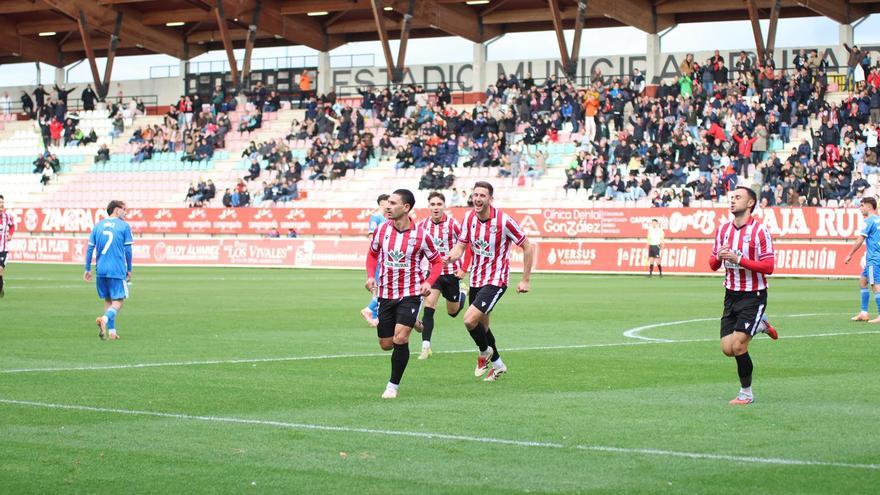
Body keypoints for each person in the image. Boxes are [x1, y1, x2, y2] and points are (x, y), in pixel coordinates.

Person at [444, 181, 535, 382]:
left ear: (490, 199)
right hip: (476, 279)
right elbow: (461, 246)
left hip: (496, 280)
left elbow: (528, 247)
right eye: (475, 194)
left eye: (482, 195)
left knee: (469, 319)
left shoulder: (504, 221)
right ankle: (498, 365)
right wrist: (451, 256)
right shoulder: (469, 218)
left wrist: (525, 280)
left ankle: (484, 352)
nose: (477, 198)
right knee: (482, 327)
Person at [365, 189, 443, 399]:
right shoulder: (382, 230)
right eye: (387, 203)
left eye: (392, 203)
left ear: (406, 208)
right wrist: (371, 276)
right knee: (386, 344)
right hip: (386, 293)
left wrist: (428, 282)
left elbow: (437, 262)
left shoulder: (421, 235)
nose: (388, 206)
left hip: (410, 293)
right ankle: (414, 322)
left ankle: (393, 385)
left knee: (400, 338)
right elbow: (372, 255)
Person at [708, 187, 778, 405]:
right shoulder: (723, 230)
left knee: (739, 346)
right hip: (731, 294)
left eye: (738, 197)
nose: (732, 201)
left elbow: (769, 267)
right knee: (727, 349)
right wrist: (719, 257)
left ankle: (746, 394)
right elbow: (712, 265)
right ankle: (761, 325)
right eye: (731, 198)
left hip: (753, 295)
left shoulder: (759, 232)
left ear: (750, 203)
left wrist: (739, 260)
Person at [414, 192, 469, 360]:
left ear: (444, 206)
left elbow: (467, 245)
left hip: (451, 274)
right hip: (433, 274)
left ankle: (462, 294)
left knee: (452, 312)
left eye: (439, 204)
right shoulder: (422, 226)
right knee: (429, 307)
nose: (436, 207)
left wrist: (464, 268)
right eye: (433, 204)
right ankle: (425, 347)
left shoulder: (453, 225)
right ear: (428, 207)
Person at [83, 200, 133, 340]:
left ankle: (111, 331)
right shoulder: (124, 226)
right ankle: (104, 319)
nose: (126, 212)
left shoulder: (97, 226)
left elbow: (90, 249)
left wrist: (87, 269)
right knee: (119, 301)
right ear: (116, 210)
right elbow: (128, 250)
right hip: (116, 269)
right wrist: (129, 269)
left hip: (101, 270)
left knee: (108, 300)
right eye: (124, 209)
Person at [844, 197, 880, 322]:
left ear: (869, 206)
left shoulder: (868, 221)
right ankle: (864, 313)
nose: (861, 208)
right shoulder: (878, 220)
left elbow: (860, 239)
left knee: (876, 285)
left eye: (862, 205)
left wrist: (850, 254)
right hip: (876, 257)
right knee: (863, 281)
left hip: (873, 258)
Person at [360, 194, 389, 327]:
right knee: (380, 287)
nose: (389, 205)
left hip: (385, 257)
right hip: (379, 258)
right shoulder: (376, 217)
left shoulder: (387, 218)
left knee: (379, 288)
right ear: (382, 204)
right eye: (387, 202)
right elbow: (372, 237)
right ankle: (369, 310)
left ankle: (376, 318)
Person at [0, 194, 15, 298]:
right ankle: (1, 288)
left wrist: (10, 234)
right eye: (0, 203)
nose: (1, 205)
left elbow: (12, 226)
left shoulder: (7, 216)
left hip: (3, 249)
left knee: (0, 270)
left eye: (2, 203)